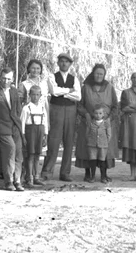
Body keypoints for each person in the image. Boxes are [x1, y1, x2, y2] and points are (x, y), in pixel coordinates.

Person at [41, 53, 81, 182]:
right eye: (62, 61)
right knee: (53, 141)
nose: (64, 64)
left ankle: (65, 173)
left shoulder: (74, 79)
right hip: (56, 109)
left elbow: (78, 96)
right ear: (58, 63)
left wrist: (63, 93)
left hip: (71, 110)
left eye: (67, 62)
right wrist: (69, 91)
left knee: (69, 142)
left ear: (70, 64)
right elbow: (54, 91)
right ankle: (47, 172)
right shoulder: (52, 77)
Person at [75, 63, 118, 182]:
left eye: (101, 74)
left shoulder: (109, 87)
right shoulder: (86, 87)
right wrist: (87, 114)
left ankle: (104, 174)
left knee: (105, 148)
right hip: (89, 123)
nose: (99, 76)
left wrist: (109, 118)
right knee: (88, 148)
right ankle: (88, 173)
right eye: (97, 73)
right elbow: (79, 105)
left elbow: (115, 106)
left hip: (105, 123)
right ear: (93, 74)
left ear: (104, 75)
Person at [0, 67, 24, 191]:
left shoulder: (14, 91)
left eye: (8, 79)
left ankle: (17, 181)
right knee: (10, 148)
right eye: (3, 78)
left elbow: (17, 110)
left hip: (15, 126)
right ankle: (9, 181)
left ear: (12, 79)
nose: (6, 81)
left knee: (18, 151)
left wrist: (19, 124)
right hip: (1, 126)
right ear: (0, 77)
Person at [21, 85, 48, 187]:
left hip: (40, 132)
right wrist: (23, 136)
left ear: (40, 95)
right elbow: (22, 123)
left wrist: (45, 136)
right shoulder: (26, 108)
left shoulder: (42, 107)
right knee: (30, 156)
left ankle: (37, 177)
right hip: (30, 133)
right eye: (33, 95)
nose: (35, 97)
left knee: (37, 155)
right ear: (29, 95)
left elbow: (45, 122)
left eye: (37, 95)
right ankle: (29, 178)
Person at [85, 105, 112, 183]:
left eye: (100, 113)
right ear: (93, 114)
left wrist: (106, 142)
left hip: (103, 145)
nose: (98, 115)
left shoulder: (106, 123)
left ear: (103, 114)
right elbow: (87, 133)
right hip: (92, 145)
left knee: (102, 161)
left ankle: (103, 177)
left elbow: (109, 134)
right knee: (92, 161)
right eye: (96, 113)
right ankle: (92, 177)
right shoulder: (90, 123)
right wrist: (89, 141)